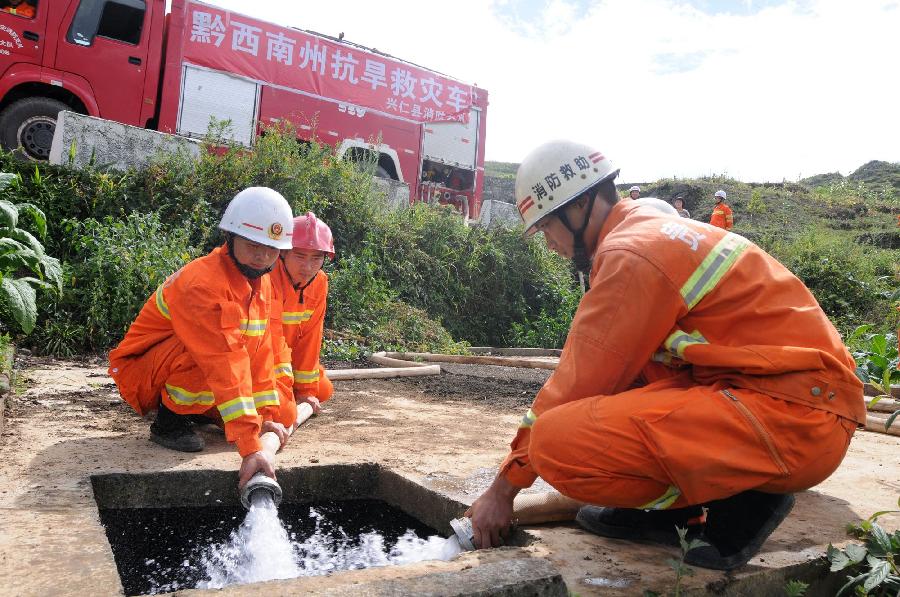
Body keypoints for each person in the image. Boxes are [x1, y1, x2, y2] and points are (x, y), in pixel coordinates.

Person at [465, 140, 865, 571]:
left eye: (547, 228)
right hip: (793, 412)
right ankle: (676, 513)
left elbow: (574, 386)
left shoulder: (633, 253)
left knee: (555, 443)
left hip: (792, 422)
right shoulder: (649, 234)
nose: (550, 245)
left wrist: (502, 491)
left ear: (578, 206)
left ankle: (744, 508)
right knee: (630, 386)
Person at [108, 187, 299, 489]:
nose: (262, 256)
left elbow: (260, 354)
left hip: (186, 369)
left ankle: (198, 412)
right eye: (252, 245)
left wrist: (263, 418)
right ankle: (169, 422)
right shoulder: (202, 284)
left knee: (247, 352)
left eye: (271, 249)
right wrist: (250, 448)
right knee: (207, 353)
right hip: (143, 373)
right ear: (230, 237)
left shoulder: (260, 282)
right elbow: (223, 361)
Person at [272, 212, 335, 416]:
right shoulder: (267, 278)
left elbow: (312, 338)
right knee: (284, 411)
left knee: (323, 389)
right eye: (299, 256)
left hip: (285, 362)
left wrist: (305, 391)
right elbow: (269, 343)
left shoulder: (319, 282)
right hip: (263, 362)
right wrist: (285, 385)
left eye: (316, 258)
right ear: (282, 252)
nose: (308, 268)